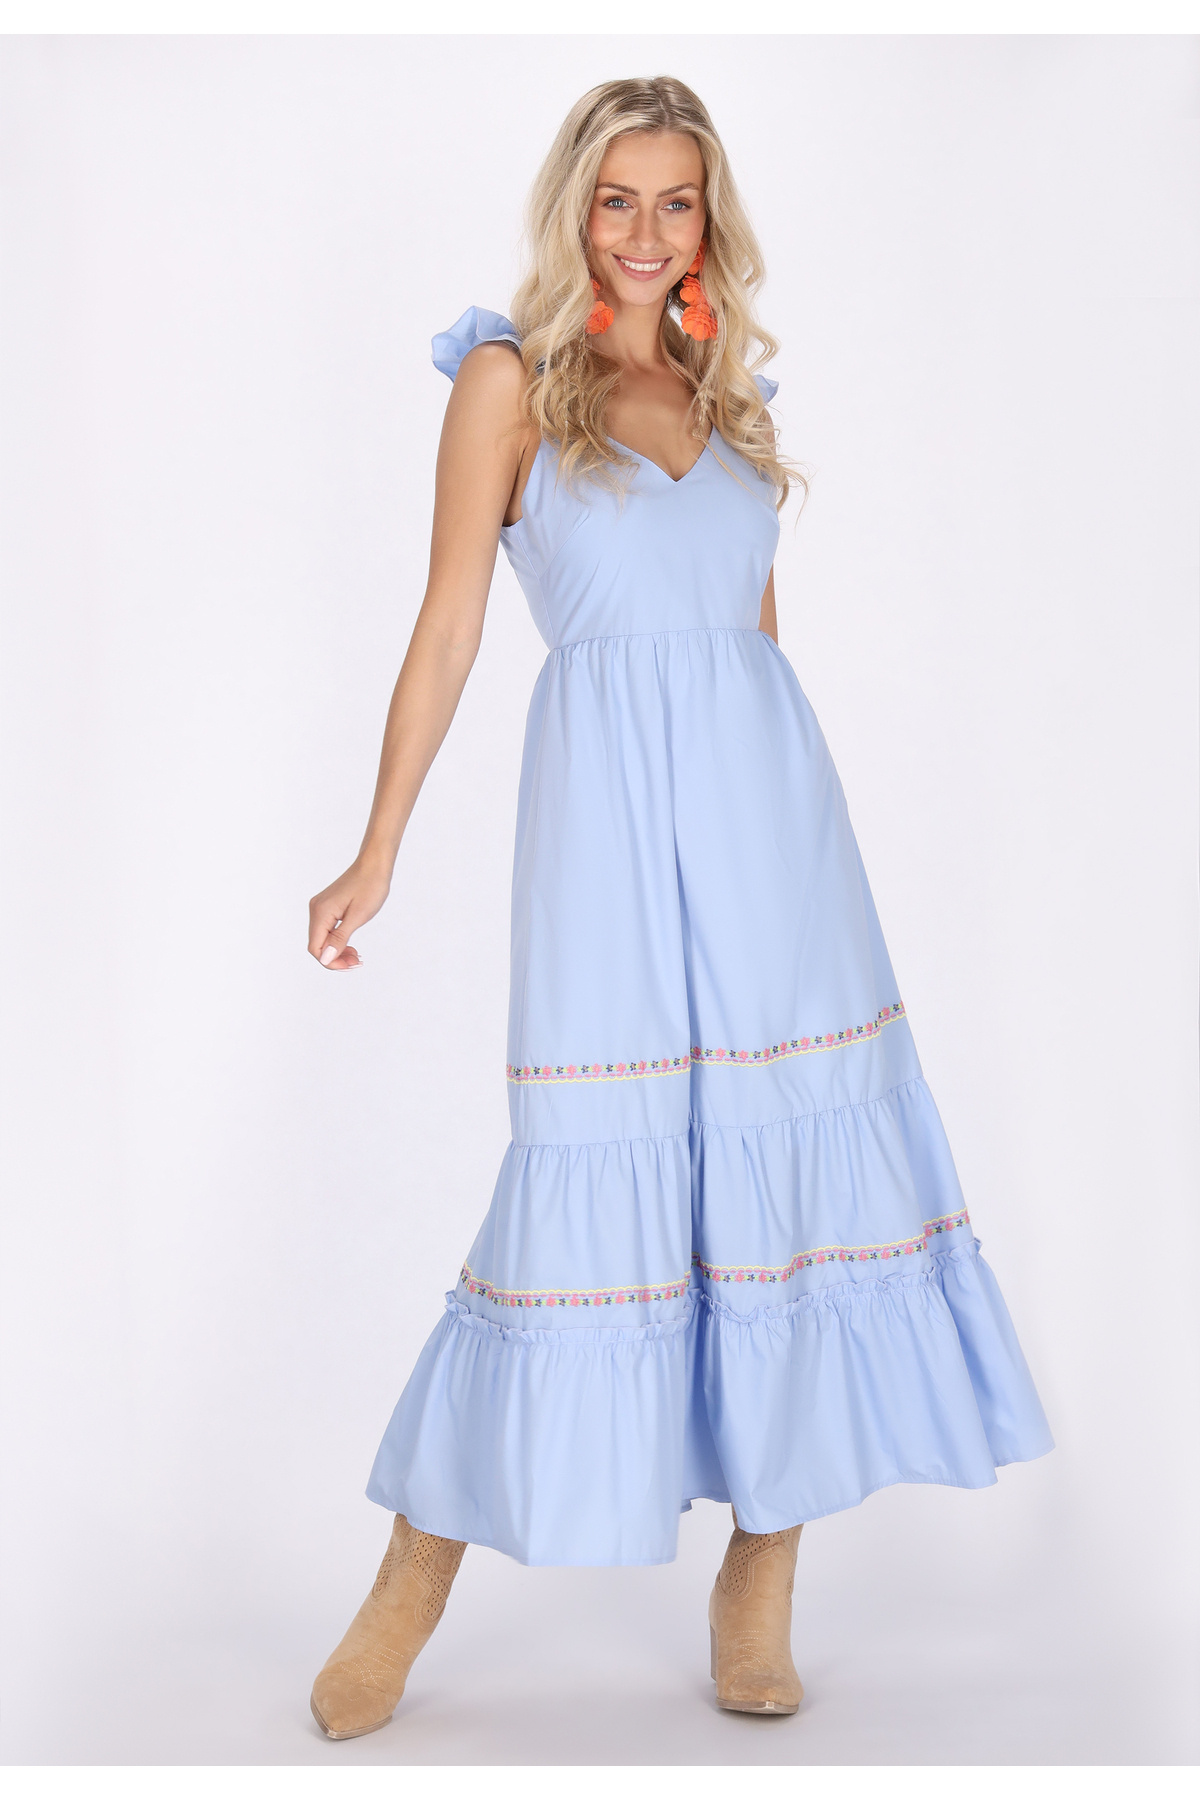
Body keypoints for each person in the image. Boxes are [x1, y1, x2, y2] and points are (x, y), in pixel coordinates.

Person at [304, 75, 1054, 1739]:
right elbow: (449, 626)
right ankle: (410, 1582)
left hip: (777, 842)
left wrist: (795, 851)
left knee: (784, 1183)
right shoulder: (507, 380)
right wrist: (379, 847)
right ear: (575, 207)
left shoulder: (729, 393)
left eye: (677, 200)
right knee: (580, 1176)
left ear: (709, 219)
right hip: (605, 838)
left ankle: (762, 1573)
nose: (645, 231)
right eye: (617, 198)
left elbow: (753, 646)